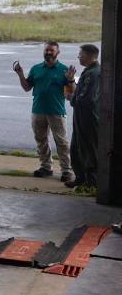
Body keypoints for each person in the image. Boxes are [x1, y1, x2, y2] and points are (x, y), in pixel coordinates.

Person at [12, 41, 73, 183]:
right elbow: (27, 87)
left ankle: (66, 171)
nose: (49, 53)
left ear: (58, 52)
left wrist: (70, 81)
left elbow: (70, 95)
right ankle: (46, 167)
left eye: (52, 50)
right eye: (46, 50)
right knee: (41, 140)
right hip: (38, 110)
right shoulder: (36, 68)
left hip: (56, 111)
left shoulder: (64, 70)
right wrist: (20, 74)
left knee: (62, 142)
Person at [66, 43, 101, 190]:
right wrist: (71, 80)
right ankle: (80, 178)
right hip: (81, 117)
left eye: (81, 54)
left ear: (88, 56)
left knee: (88, 149)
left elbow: (87, 98)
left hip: (88, 118)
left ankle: (91, 182)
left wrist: (71, 97)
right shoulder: (89, 71)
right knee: (76, 148)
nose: (79, 57)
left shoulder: (93, 74)